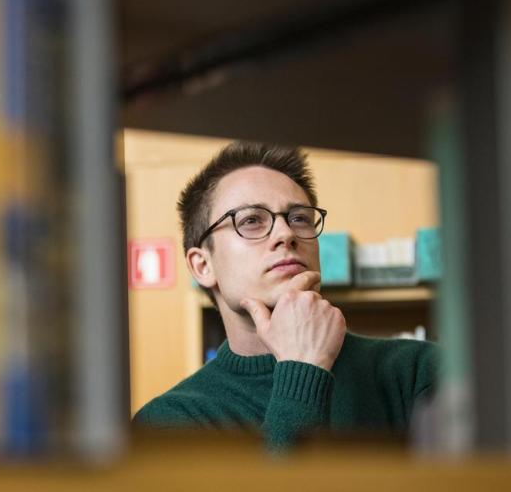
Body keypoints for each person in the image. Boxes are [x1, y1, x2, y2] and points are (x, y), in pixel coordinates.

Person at [132, 142, 438, 450]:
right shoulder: (168, 422)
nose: (286, 234)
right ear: (203, 265)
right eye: (251, 220)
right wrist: (303, 370)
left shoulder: (418, 371)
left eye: (299, 218)